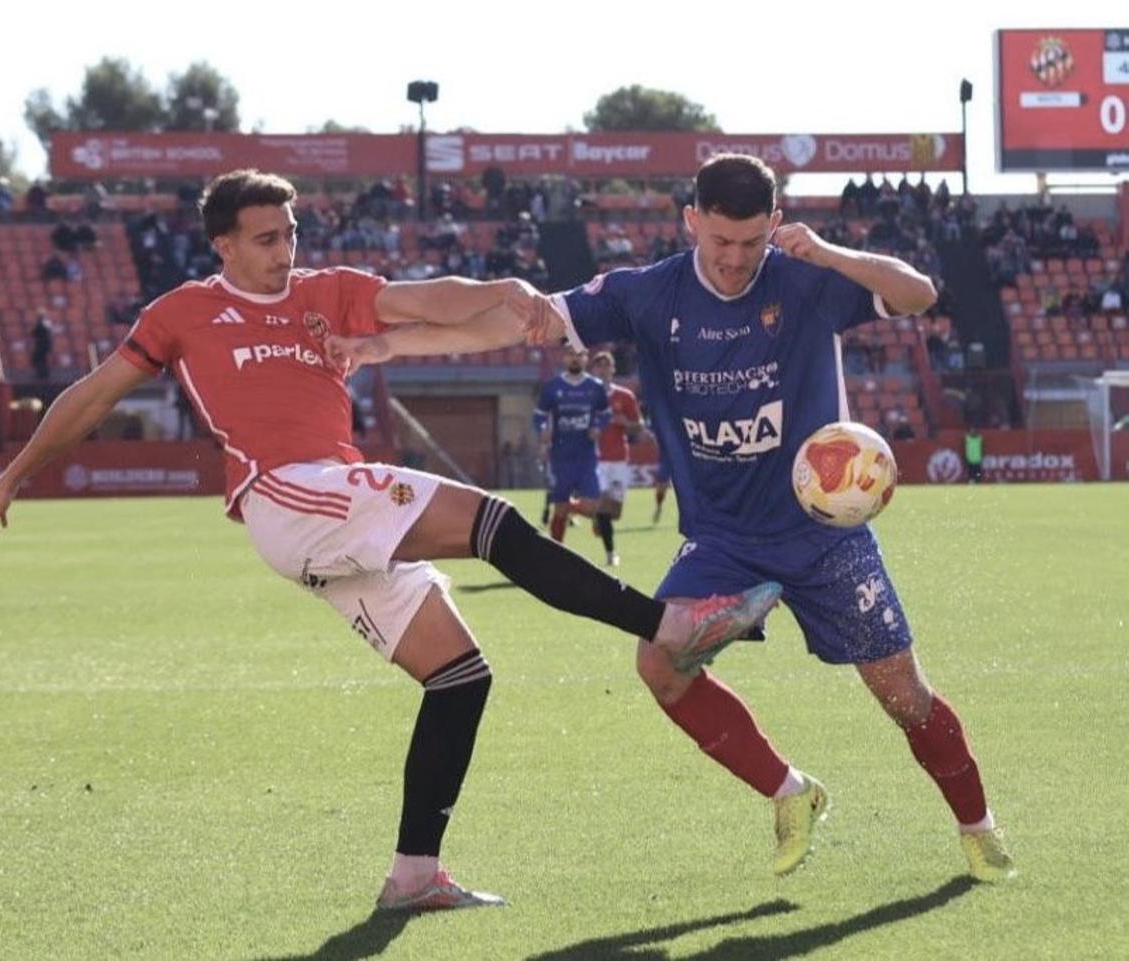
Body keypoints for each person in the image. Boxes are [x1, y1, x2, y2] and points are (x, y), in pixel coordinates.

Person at [0, 168, 780, 914]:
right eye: (264, 238)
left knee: (459, 676)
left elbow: (426, 299)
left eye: (289, 233)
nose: (283, 251)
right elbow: (93, 395)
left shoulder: (326, 291)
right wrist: (13, 476)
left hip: (336, 505)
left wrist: (499, 288)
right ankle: (669, 625)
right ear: (223, 245)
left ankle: (414, 874)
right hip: (287, 495)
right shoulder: (183, 311)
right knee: (492, 522)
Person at [330, 154, 1014, 884]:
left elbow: (918, 293)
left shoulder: (807, 281)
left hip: (824, 537)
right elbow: (523, 319)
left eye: (751, 242)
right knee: (660, 662)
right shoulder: (647, 294)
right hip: (723, 538)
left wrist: (829, 252)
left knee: (905, 697)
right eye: (720, 241)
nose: (735, 259)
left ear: (776, 225)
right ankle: (792, 791)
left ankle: (978, 828)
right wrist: (387, 344)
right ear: (691, 221)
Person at [534, 346, 609, 544]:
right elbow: (539, 416)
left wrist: (598, 427)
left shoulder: (595, 386)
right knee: (559, 509)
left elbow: (605, 414)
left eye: (579, 355)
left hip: (586, 455)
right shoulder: (553, 387)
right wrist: (543, 429)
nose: (575, 359)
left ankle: (565, 509)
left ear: (585, 358)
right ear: (564, 358)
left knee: (591, 506)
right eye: (570, 355)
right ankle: (556, 550)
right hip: (560, 456)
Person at [589, 350, 644, 566]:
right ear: (593, 370)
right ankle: (611, 554)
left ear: (613, 369)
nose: (603, 370)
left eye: (607, 366)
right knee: (603, 507)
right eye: (599, 366)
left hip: (619, 458)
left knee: (614, 511)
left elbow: (639, 426)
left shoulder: (625, 396)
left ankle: (599, 520)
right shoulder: (586, 396)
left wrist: (626, 423)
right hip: (595, 460)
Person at [30, 311, 56, 382]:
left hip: (42, 345)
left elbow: (34, 332)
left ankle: (43, 375)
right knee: (41, 360)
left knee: (40, 360)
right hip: (43, 345)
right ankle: (42, 374)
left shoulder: (43, 324)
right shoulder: (45, 323)